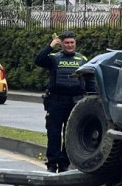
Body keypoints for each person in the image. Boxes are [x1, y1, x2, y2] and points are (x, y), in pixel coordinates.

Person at [34, 31, 88, 173]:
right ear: (62, 44)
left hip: (75, 102)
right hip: (56, 101)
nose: (70, 45)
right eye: (66, 43)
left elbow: (89, 80)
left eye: (72, 42)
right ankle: (52, 164)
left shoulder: (82, 59)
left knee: (70, 134)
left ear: (75, 43)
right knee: (53, 133)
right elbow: (38, 60)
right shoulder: (53, 58)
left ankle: (64, 164)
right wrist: (50, 46)